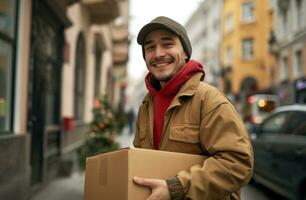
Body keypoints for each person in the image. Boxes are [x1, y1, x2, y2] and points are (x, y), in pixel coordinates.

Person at [132, 16, 253, 200]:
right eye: (150, 48)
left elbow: (238, 164)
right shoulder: (146, 106)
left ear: (186, 52)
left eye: (167, 44)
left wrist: (176, 188)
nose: (157, 54)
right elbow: (140, 160)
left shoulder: (210, 100)